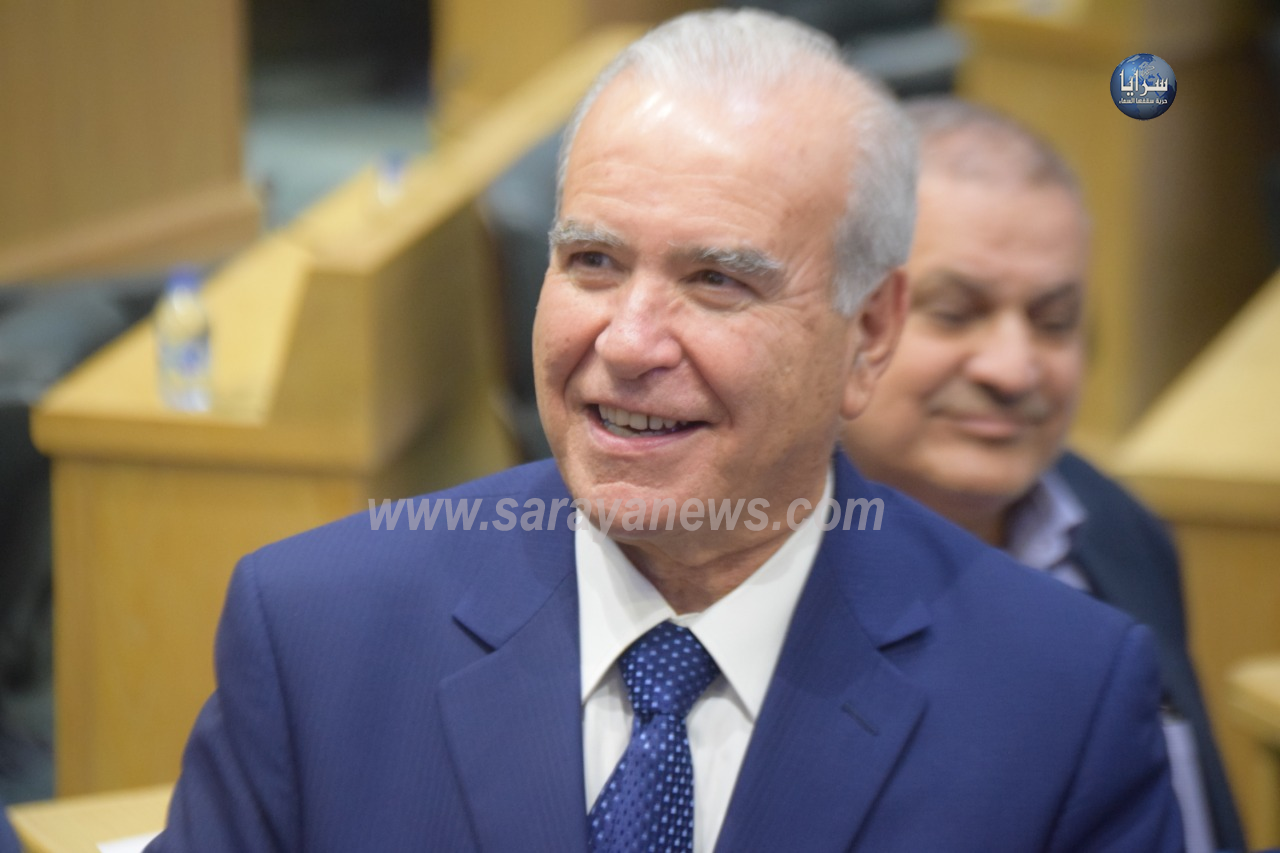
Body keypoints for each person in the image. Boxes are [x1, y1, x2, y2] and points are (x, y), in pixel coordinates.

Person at [149, 12, 1181, 852]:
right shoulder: (314, 633)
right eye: (592, 262)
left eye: (716, 279)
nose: (629, 341)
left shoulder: (1061, 700)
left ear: (868, 333)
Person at [841, 96, 1243, 853]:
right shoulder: (745, 566)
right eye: (955, 312)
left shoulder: (1118, 525)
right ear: (849, 320)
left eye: (1054, 321)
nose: (1014, 368)